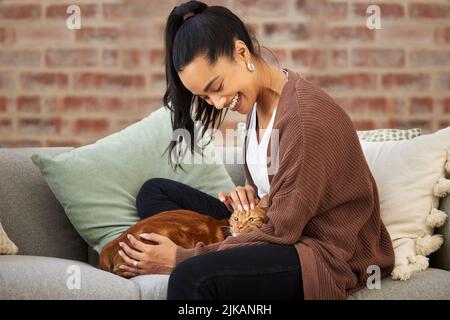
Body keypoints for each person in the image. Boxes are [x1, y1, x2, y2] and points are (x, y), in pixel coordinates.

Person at [117, 0, 395, 300]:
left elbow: (281, 230)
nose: (218, 103)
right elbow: (278, 186)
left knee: (192, 276)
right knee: (154, 193)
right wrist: (251, 195)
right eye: (205, 97)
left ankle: (191, 255)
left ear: (241, 52)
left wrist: (181, 258)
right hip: (276, 223)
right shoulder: (258, 105)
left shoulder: (305, 118)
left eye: (216, 86)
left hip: (317, 249)